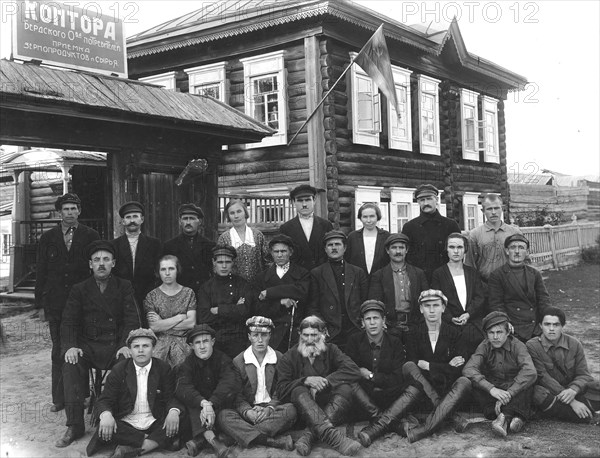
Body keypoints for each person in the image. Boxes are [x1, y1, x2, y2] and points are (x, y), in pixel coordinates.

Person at [57, 240, 140, 448]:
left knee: (128, 363)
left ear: (113, 262)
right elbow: (68, 322)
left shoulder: (124, 286)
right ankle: (75, 425)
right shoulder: (79, 289)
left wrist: (125, 344)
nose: (101, 264)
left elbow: (132, 320)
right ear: (90, 264)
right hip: (88, 347)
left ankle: (120, 422)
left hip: (115, 346)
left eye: (105, 259)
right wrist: (70, 346)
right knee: (70, 364)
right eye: (96, 260)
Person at [35, 193, 99, 413]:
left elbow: (95, 269)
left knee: (79, 348)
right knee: (58, 349)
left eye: (73, 208)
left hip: (82, 303)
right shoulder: (48, 237)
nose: (70, 212)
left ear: (79, 211)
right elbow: (41, 269)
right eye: (66, 209)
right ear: (59, 212)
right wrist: (40, 301)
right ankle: (59, 398)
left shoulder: (91, 235)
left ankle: (80, 396)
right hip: (56, 303)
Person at [86, 328, 182, 458]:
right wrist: (106, 414)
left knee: (181, 415)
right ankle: (157, 442)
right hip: (127, 423)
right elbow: (105, 399)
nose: (141, 350)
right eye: (136, 346)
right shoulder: (119, 369)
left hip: (153, 421)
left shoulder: (163, 368)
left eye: (145, 346)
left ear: (153, 348)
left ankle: (132, 449)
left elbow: (170, 396)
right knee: (105, 422)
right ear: (130, 350)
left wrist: (173, 412)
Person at [276, 316, 363, 456]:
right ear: (299, 335)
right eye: (305, 335)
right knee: (298, 389)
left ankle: (309, 436)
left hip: (328, 407)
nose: (309, 339)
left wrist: (325, 381)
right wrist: (305, 380)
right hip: (303, 411)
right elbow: (281, 389)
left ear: (323, 335)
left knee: (346, 389)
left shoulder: (331, 350)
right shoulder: (289, 356)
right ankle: (334, 437)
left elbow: (353, 370)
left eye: (314, 335)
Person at [345, 300, 423, 448]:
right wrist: (361, 375)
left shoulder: (395, 342)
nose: (372, 323)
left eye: (376, 318)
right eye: (368, 319)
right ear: (362, 323)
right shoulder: (354, 341)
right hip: (365, 398)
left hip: (389, 395)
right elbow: (349, 371)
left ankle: (377, 426)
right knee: (349, 382)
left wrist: (370, 376)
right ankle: (389, 423)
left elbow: (396, 377)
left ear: (384, 321)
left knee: (416, 386)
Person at [217, 316, 297, 451]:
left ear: (270, 335)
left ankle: (236, 436)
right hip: (250, 410)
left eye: (264, 335)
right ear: (249, 336)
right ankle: (271, 441)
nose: (260, 340)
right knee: (223, 415)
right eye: (255, 335)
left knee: (291, 410)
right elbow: (237, 394)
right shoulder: (239, 361)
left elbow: (281, 389)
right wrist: (247, 411)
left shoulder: (279, 358)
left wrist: (269, 408)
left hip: (271, 411)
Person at [403, 290, 473, 443]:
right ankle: (450, 415)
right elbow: (414, 365)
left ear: (443, 308)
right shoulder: (413, 333)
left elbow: (458, 369)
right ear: (421, 309)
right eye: (427, 306)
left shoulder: (455, 333)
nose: (432, 310)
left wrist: (430, 366)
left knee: (464, 382)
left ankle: (426, 428)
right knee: (409, 366)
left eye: (436, 305)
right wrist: (446, 365)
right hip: (425, 392)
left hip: (448, 389)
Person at [463, 311, 537, 437]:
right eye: (491, 333)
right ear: (486, 335)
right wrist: (491, 389)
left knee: (528, 386)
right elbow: (469, 369)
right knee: (474, 385)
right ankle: (515, 417)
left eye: (499, 332)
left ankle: (504, 418)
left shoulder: (518, 346)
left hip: (513, 387)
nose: (495, 337)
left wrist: (510, 393)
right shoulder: (484, 346)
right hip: (495, 388)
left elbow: (530, 372)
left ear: (508, 333)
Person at [526, 306, 598, 424]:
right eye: (547, 324)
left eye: (556, 325)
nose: (551, 329)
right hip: (551, 392)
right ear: (540, 326)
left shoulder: (574, 344)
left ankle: (561, 411)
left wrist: (573, 390)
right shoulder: (532, 346)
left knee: (596, 385)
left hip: (573, 391)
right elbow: (543, 377)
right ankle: (581, 413)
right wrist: (572, 402)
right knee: (536, 393)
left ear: (562, 326)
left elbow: (584, 375)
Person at [176, 324, 239, 458]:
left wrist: (211, 403)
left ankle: (199, 441)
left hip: (218, 407)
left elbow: (229, 384)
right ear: (192, 346)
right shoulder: (187, 364)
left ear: (213, 342)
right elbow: (183, 387)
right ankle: (215, 442)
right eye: (197, 343)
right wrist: (203, 403)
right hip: (199, 411)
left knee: (226, 413)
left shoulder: (223, 359)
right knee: (191, 404)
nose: (202, 346)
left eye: (205, 341)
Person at [306, 230, 368, 349]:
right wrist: (321, 326)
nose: (334, 248)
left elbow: (365, 301)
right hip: (330, 330)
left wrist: (362, 322)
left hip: (354, 327)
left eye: (337, 244)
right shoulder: (317, 273)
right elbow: (312, 306)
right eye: (330, 245)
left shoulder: (357, 272)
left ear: (344, 248)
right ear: (325, 249)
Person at [488, 234, 551, 342]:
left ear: (527, 252)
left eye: (521, 248)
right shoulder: (497, 275)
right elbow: (496, 304)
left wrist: (546, 320)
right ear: (507, 251)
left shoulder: (534, 273)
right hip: (513, 328)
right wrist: (505, 322)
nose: (517, 251)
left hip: (534, 327)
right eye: (513, 247)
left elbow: (543, 299)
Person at [253, 234, 310, 352]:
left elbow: (301, 291)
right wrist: (280, 302)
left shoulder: (302, 273)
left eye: (283, 251)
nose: (279, 255)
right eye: (276, 251)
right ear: (271, 253)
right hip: (272, 333)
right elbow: (257, 307)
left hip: (295, 331)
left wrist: (270, 293)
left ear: (291, 252)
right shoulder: (261, 278)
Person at [431, 232, 485, 355]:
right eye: (452, 247)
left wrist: (468, 314)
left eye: (459, 247)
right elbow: (437, 300)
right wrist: (450, 318)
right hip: (449, 324)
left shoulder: (472, 273)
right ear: (446, 250)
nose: (456, 251)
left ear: (465, 250)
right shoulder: (438, 273)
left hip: (472, 324)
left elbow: (479, 297)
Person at [196, 245, 252, 359]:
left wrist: (218, 310)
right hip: (216, 337)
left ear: (233, 263)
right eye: (220, 262)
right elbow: (204, 317)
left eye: (228, 262)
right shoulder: (206, 288)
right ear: (213, 262)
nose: (224, 266)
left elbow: (246, 311)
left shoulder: (242, 284)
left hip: (238, 336)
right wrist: (234, 308)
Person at [112, 201, 162, 326]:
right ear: (123, 221)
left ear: (142, 219)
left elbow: (159, 271)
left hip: (148, 296)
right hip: (122, 297)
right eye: (128, 217)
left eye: (135, 216)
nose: (132, 220)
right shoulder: (114, 245)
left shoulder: (154, 244)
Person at [368, 233, 428, 337]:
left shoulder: (418, 273)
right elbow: (375, 304)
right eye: (394, 248)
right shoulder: (379, 276)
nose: (398, 251)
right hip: (390, 328)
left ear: (407, 250)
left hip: (415, 326)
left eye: (401, 248)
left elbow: (426, 301)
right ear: (387, 251)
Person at [144, 255, 197, 367]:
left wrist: (162, 322)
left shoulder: (188, 293)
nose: (167, 273)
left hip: (183, 343)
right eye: (163, 269)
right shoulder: (152, 296)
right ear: (159, 272)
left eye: (171, 268)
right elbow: (154, 327)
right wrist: (179, 318)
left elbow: (191, 323)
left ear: (177, 270)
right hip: (159, 344)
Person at [401, 184, 461, 282]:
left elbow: (459, 254)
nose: (425, 203)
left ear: (436, 200)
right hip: (419, 279)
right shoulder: (409, 227)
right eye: (422, 200)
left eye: (429, 199)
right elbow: (406, 257)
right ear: (418, 202)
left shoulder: (450, 225)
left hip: (446, 277)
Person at [466, 193, 522, 286]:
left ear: (502, 208)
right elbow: (469, 264)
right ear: (483, 211)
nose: (493, 212)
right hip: (485, 286)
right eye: (489, 209)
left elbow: (524, 260)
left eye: (496, 208)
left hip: (511, 285)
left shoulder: (514, 233)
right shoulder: (475, 235)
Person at [163, 203, 215, 293]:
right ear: (180, 222)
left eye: (192, 218)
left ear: (200, 221)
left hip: (202, 294)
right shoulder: (169, 246)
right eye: (185, 219)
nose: (188, 222)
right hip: (179, 294)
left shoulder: (209, 246)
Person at [280, 184, 333, 271]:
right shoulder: (286, 228)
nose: (304, 204)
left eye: (308, 200)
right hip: (297, 278)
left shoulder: (326, 225)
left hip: (321, 276)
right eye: (300, 201)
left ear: (314, 201)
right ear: (293, 202)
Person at [217, 199, 268, 283]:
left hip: (258, 286)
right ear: (228, 216)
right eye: (232, 213)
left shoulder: (257, 235)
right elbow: (220, 265)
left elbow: (267, 261)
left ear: (245, 213)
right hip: (234, 287)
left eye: (239, 211)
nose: (236, 216)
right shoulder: (224, 238)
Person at [345, 203, 391, 281]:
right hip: (358, 282)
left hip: (381, 281)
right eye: (365, 217)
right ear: (360, 218)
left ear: (377, 217)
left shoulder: (386, 236)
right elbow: (347, 260)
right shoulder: (352, 237)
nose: (368, 220)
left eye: (372, 216)